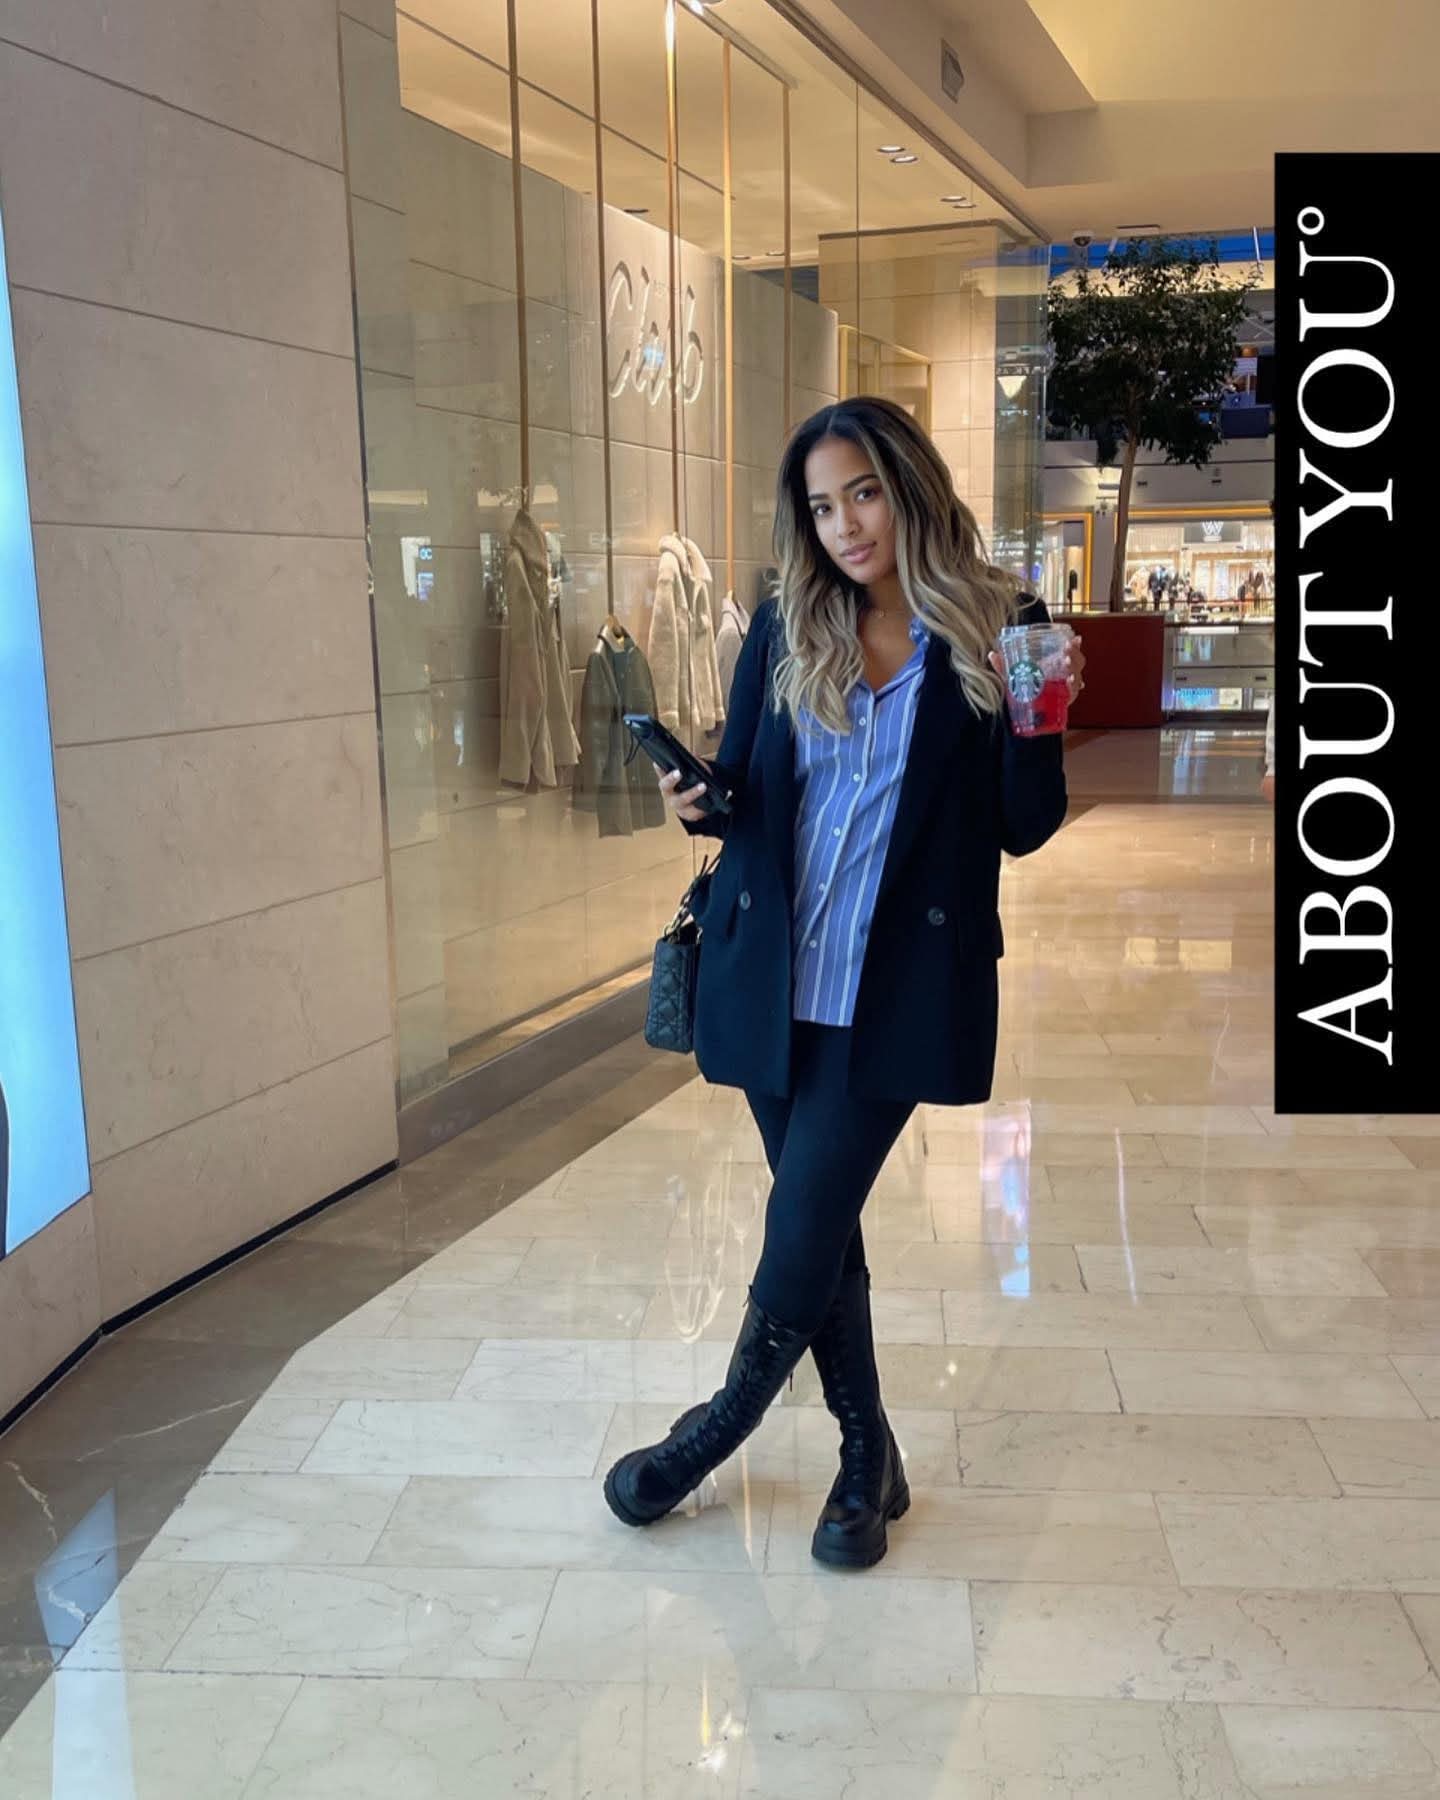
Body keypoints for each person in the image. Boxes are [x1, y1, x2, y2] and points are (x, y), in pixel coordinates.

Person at [602, 396, 1084, 1568]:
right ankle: (869, 1457)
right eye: (822, 507)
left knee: (805, 1213)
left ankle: (714, 1431)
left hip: (898, 985)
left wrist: (1039, 716)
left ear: (909, 486)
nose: (846, 526)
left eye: (863, 493)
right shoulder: (786, 621)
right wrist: (696, 797)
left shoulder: (1000, 623)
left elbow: (1024, 826)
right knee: (823, 1229)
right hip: (771, 975)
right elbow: (744, 791)